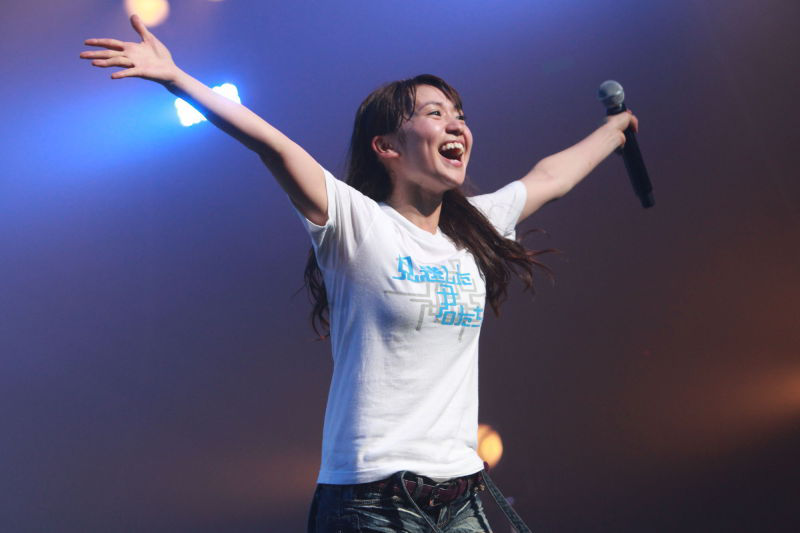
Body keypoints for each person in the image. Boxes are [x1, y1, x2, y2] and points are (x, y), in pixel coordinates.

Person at [81, 15, 638, 533]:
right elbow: (270, 144)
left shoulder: (475, 227)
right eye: (435, 113)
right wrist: (177, 79)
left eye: (460, 115)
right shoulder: (356, 223)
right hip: (373, 500)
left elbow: (550, 177)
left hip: (461, 494)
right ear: (386, 146)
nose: (456, 124)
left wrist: (615, 131)